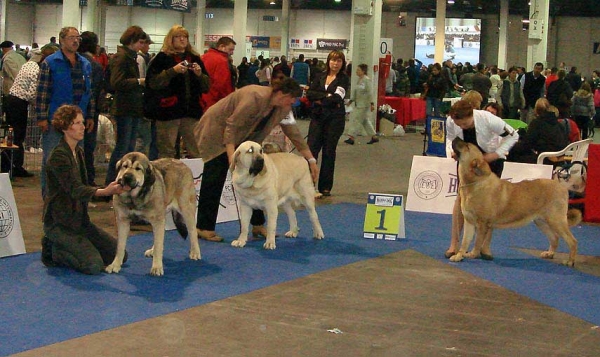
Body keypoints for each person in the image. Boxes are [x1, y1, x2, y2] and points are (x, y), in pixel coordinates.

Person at [193, 77, 318, 242]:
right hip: (216, 132)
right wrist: (232, 157)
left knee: (258, 178)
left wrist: (311, 160)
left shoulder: (283, 107)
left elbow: (293, 132)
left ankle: (258, 225)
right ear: (282, 94)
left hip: (245, 138)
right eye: (292, 98)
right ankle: (204, 227)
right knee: (215, 175)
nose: (294, 102)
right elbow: (232, 125)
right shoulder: (254, 96)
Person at [41, 105, 127, 274]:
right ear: (65, 127)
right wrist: (105, 192)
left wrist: (109, 189)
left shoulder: (78, 152)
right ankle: (53, 250)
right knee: (93, 266)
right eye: (77, 123)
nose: (83, 126)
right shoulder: (58, 156)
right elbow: (75, 189)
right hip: (60, 223)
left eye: (82, 122)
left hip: (80, 222)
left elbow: (85, 187)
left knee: (121, 256)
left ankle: (73, 246)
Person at [445, 100, 519, 258]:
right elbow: (450, 139)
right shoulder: (451, 120)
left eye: (465, 123)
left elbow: (514, 136)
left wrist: (496, 154)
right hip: (466, 161)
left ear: (472, 114)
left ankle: (484, 247)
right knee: (461, 199)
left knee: (490, 205)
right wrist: (453, 153)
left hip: (489, 160)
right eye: (459, 125)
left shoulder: (489, 119)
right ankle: (454, 244)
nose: (462, 127)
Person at [35, 27, 95, 197]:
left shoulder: (85, 64)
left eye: (77, 38)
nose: (75, 41)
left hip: (78, 122)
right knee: (51, 160)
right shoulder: (50, 63)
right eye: (71, 38)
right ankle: (49, 198)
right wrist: (41, 118)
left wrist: (89, 115)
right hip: (55, 120)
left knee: (77, 161)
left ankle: (75, 198)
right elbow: (42, 92)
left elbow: (89, 92)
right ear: (61, 40)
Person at [145, 25, 209, 159]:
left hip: (191, 112)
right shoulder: (161, 59)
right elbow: (153, 83)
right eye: (178, 37)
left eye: (185, 37)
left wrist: (199, 74)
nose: (182, 40)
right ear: (171, 39)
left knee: (195, 150)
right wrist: (172, 72)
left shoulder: (195, 58)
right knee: (167, 151)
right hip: (168, 112)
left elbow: (207, 86)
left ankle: (195, 178)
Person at [4, 45, 58, 177]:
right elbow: (32, 94)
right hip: (19, 103)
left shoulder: (29, 64)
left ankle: (10, 167)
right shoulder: (36, 71)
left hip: (12, 100)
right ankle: (15, 168)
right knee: (18, 137)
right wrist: (42, 108)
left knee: (12, 137)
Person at [104, 26, 147, 187]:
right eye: (140, 42)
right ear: (132, 41)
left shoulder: (129, 56)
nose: (142, 45)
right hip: (124, 108)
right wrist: (138, 81)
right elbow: (117, 82)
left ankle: (119, 182)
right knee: (122, 148)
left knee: (127, 148)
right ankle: (112, 182)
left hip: (131, 107)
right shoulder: (121, 58)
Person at [306, 50, 350, 197]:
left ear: (342, 63)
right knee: (311, 151)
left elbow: (337, 98)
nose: (335, 63)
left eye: (338, 61)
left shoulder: (344, 79)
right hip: (317, 118)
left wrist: (321, 99)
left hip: (335, 120)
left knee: (329, 152)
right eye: (333, 60)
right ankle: (308, 185)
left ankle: (325, 187)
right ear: (328, 61)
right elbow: (310, 94)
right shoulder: (320, 76)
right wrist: (326, 96)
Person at [77, 31, 105, 186]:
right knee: (87, 148)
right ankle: (88, 181)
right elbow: (94, 92)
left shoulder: (77, 61)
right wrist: (92, 114)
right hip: (89, 113)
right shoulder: (94, 64)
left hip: (78, 111)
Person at [508, 98, 569, 164]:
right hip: (559, 158)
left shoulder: (537, 123)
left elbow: (527, 144)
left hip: (545, 159)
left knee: (513, 153)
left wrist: (511, 146)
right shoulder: (559, 124)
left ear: (536, 110)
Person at [136, 35, 158, 160]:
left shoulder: (143, 58)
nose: (148, 47)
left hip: (140, 102)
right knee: (143, 139)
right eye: (147, 44)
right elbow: (142, 80)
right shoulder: (140, 59)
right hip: (141, 102)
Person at [344, 63, 377, 145]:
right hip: (358, 103)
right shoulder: (359, 80)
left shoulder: (367, 80)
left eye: (358, 70)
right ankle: (374, 136)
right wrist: (351, 101)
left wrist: (372, 103)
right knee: (365, 121)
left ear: (363, 71)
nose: (356, 72)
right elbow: (356, 92)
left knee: (356, 120)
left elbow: (370, 93)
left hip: (364, 104)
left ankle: (351, 137)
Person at [201, 36, 236, 110]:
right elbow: (222, 85)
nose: (232, 53)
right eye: (230, 49)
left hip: (202, 100)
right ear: (221, 46)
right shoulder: (221, 61)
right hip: (215, 102)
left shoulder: (202, 57)